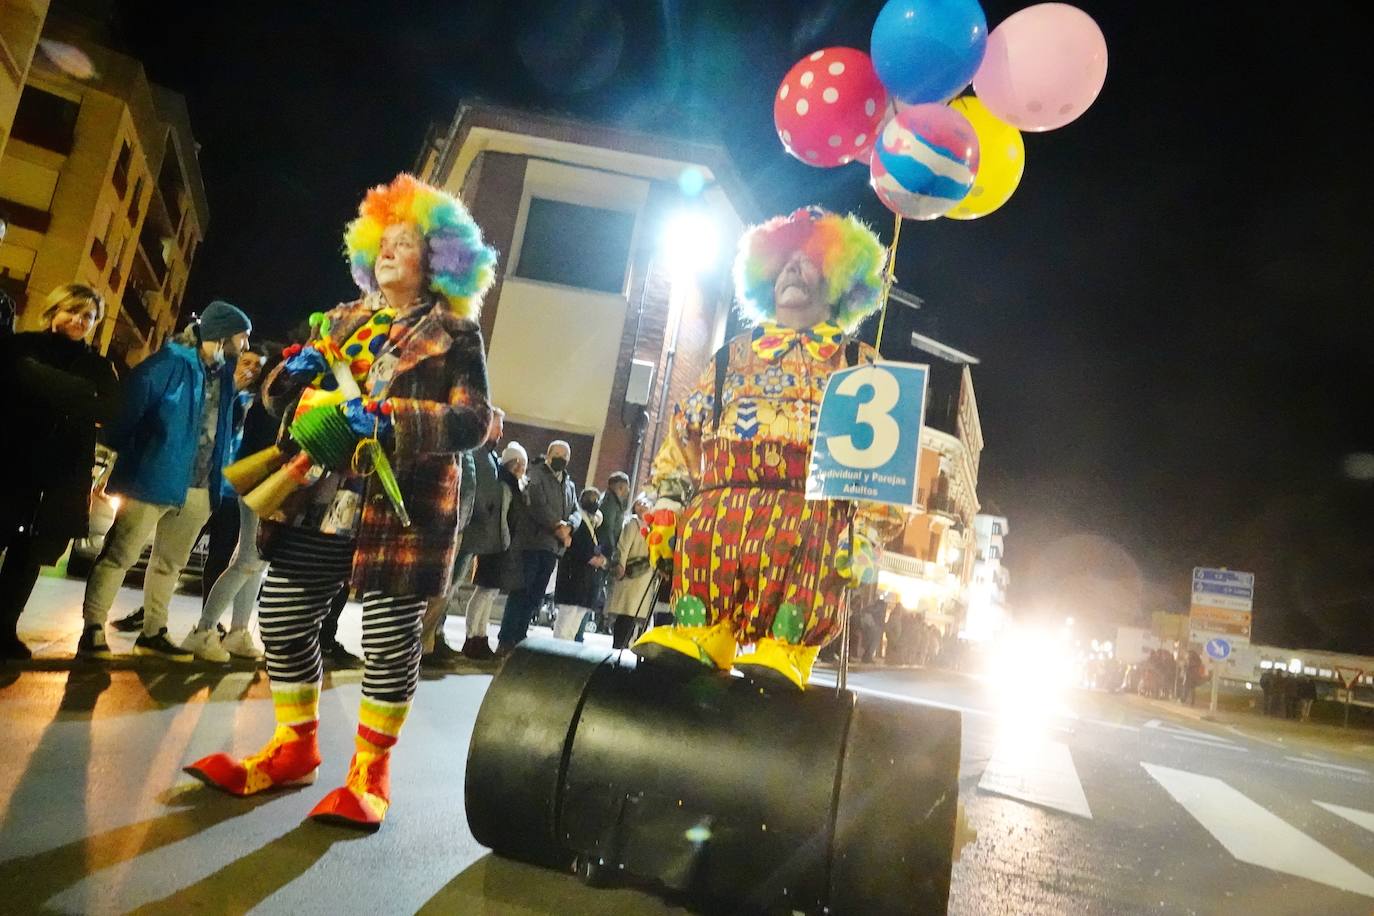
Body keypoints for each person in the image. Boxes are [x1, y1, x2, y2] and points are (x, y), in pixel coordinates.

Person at [183, 174, 495, 832]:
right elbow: (280, 398)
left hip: (399, 503)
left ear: (439, 261)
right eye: (384, 239)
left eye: (407, 241)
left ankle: (369, 774)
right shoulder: (340, 319)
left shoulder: (456, 335)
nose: (390, 249)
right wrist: (284, 378)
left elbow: (472, 423)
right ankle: (294, 747)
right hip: (320, 495)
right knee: (284, 617)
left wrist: (387, 417)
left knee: (385, 638)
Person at [634, 207, 897, 689]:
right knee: (701, 529)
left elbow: (883, 469)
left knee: (814, 540)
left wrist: (869, 538)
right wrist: (668, 504)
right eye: (784, 261)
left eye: (810, 260)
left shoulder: (862, 363)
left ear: (840, 278)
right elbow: (683, 434)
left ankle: (788, 646)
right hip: (720, 510)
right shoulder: (730, 354)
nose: (792, 269)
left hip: (810, 513)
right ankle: (702, 631)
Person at [78, 300, 252, 660]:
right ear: (221, 332)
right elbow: (128, 411)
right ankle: (92, 628)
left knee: (169, 563)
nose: (246, 345)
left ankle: (153, 632)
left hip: (200, 486)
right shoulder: (171, 362)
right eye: (242, 336)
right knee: (120, 554)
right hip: (154, 474)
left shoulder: (223, 375)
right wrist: (126, 455)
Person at [0, 285, 119, 659]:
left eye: (88, 317)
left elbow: (111, 411)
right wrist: (78, 395)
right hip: (10, 463)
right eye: (73, 311)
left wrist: (41, 384)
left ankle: (3, 629)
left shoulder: (97, 365)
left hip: (59, 475)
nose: (79, 321)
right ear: (54, 310)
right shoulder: (19, 347)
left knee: (29, 556)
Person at [180, 345, 278, 662]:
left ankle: (237, 632)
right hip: (260, 483)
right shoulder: (271, 402)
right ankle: (204, 630)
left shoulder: (272, 400)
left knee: (255, 561)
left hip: (266, 484)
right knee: (249, 559)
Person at [496, 440, 580, 655]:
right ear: (549, 455)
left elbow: (576, 511)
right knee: (521, 592)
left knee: (535, 596)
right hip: (532, 544)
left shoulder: (569, 484)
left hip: (551, 549)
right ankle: (506, 639)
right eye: (558, 453)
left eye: (565, 454)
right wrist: (557, 527)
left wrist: (570, 525)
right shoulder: (537, 476)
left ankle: (520, 638)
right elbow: (537, 504)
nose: (562, 458)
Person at [604, 493, 658, 649]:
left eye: (646, 504)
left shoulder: (653, 527)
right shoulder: (633, 524)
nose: (642, 506)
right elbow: (623, 546)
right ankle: (619, 647)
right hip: (630, 577)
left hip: (644, 578)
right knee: (626, 613)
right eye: (639, 503)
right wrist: (620, 565)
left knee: (635, 615)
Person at [552, 488, 607, 640]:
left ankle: (566, 650)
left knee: (575, 621)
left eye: (596, 499)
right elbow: (576, 546)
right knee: (566, 619)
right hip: (573, 576)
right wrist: (591, 558)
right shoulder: (577, 520)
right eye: (591, 499)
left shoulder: (593, 524)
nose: (594, 502)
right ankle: (556, 651)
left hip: (586, 581)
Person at [596, 471, 630, 568]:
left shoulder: (611, 501)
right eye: (627, 487)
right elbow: (608, 527)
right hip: (603, 552)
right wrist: (612, 551)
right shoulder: (610, 502)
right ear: (621, 487)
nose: (628, 490)